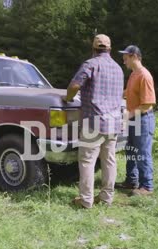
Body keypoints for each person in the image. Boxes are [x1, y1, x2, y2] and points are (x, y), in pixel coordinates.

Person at [63, 34, 124, 208]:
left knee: (87, 161)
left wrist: (68, 98)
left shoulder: (91, 64)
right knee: (109, 161)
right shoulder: (118, 68)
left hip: (94, 123)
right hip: (113, 123)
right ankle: (106, 199)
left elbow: (75, 86)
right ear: (110, 48)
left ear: (93, 48)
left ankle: (86, 200)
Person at [116, 45, 156, 196]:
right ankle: (131, 181)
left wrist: (128, 115)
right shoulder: (134, 74)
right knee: (131, 151)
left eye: (125, 57)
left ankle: (147, 187)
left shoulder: (144, 76)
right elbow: (129, 92)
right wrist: (116, 94)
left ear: (134, 56)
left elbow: (147, 104)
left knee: (142, 153)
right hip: (134, 120)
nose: (123, 60)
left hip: (143, 120)